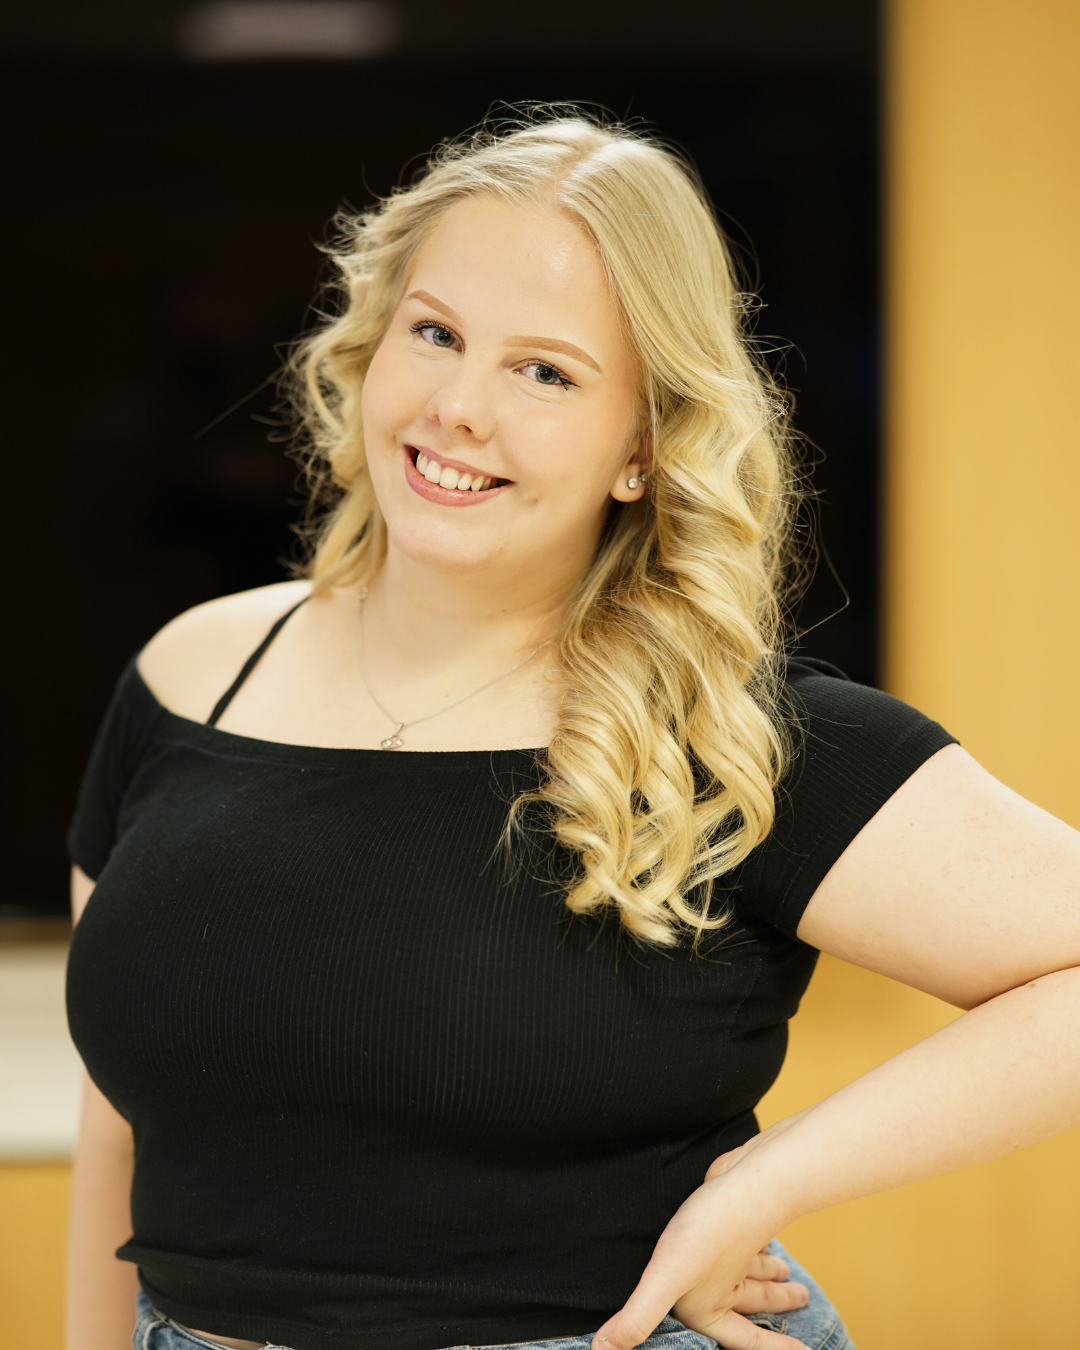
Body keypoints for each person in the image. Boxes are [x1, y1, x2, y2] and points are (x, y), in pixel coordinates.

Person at [65, 110, 1080, 1350]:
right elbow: (117, 1122)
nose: (458, 407)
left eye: (544, 373)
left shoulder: (730, 739)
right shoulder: (191, 677)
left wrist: (763, 1184)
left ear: (643, 448)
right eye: (436, 334)